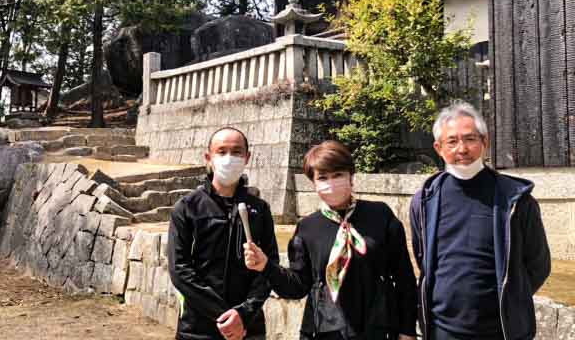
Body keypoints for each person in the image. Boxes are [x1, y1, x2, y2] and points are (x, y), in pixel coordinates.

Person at [244, 140, 417, 340]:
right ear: (314, 183)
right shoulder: (307, 227)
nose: (331, 183)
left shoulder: (380, 215)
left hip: (378, 327)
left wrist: (407, 329)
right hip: (326, 330)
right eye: (323, 177)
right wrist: (266, 266)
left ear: (351, 176)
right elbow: (298, 286)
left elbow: (404, 277)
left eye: (338, 175)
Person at [410, 101, 551, 340]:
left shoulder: (516, 200)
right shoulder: (424, 201)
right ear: (438, 148)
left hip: (502, 331)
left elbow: (538, 264)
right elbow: (423, 258)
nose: (462, 149)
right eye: (452, 141)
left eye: (470, 139)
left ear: (485, 142)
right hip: (442, 330)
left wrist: (511, 298)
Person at [167, 126, 279, 340]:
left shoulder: (260, 209)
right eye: (222, 151)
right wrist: (224, 316)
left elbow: (269, 266)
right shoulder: (187, 208)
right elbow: (179, 269)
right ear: (208, 158)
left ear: (247, 157)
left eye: (237, 152)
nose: (229, 157)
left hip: (249, 327)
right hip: (198, 327)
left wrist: (244, 314)